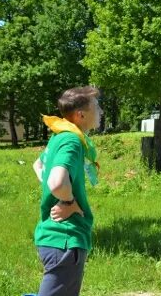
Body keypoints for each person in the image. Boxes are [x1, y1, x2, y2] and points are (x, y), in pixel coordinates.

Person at [32, 86, 102, 295]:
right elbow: (56, 183)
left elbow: (38, 165)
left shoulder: (60, 136)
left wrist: (58, 193)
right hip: (64, 239)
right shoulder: (71, 140)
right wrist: (68, 203)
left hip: (55, 239)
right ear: (81, 114)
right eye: (96, 107)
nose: (101, 111)